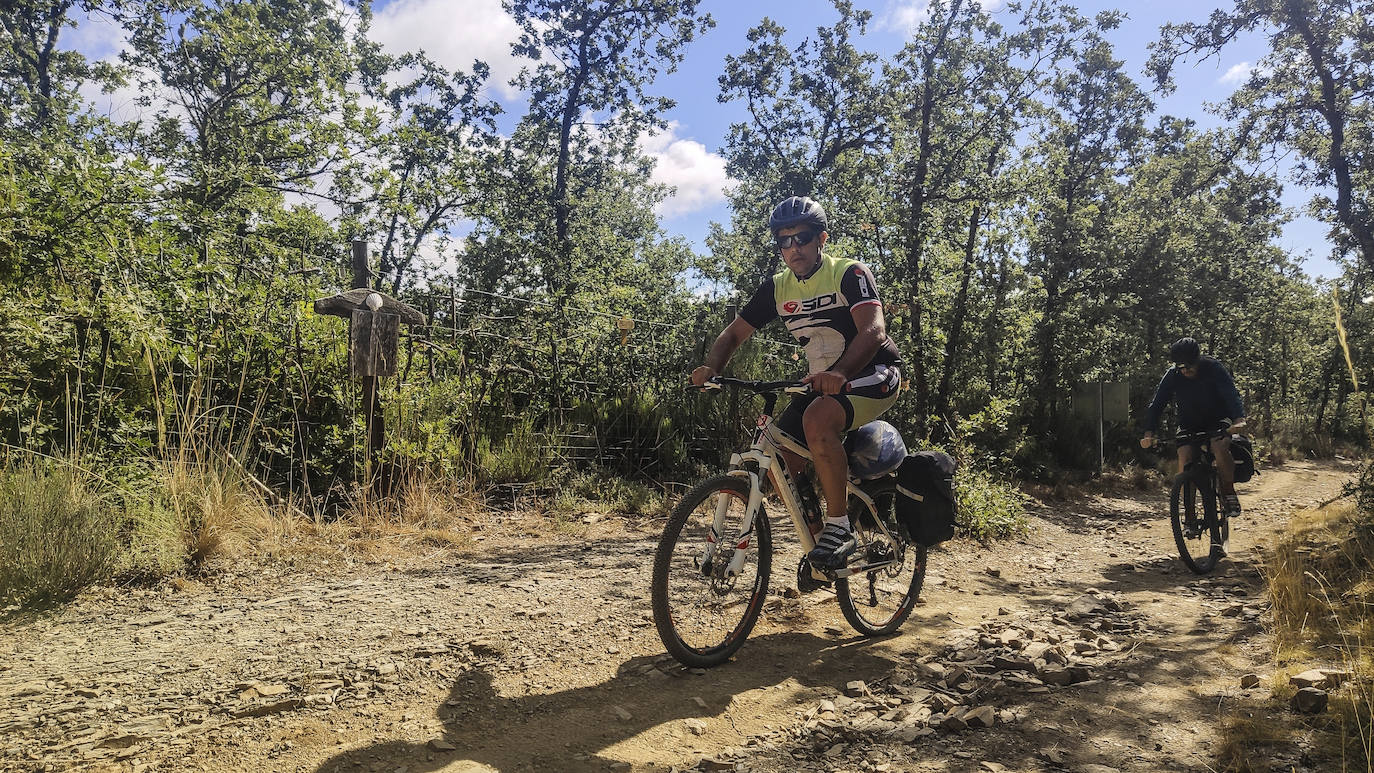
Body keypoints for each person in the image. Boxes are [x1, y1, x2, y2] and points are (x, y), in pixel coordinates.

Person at [690, 196, 903, 570]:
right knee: (785, 445)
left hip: (874, 372)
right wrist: (710, 367)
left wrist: (840, 374)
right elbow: (731, 335)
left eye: (801, 238)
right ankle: (821, 545)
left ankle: (841, 528)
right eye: (784, 241)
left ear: (821, 239)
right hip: (819, 382)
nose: (793, 248)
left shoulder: (848, 273)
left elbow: (872, 331)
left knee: (817, 420)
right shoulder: (777, 288)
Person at [1140, 337, 1247, 522]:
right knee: (1184, 457)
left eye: (1189, 365)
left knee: (1219, 446)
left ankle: (1228, 492)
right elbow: (1157, 405)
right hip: (1189, 423)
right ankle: (1189, 514)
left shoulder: (1213, 368)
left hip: (1217, 419)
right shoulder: (1173, 375)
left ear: (1198, 360)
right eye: (1180, 366)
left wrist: (1238, 420)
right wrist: (1149, 433)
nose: (1185, 370)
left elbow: (1231, 394)